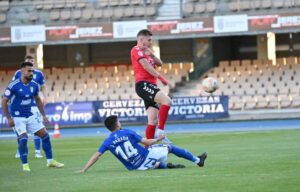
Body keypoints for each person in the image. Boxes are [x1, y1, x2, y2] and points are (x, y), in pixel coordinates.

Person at [78, 115, 207, 172]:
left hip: (135, 167)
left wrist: (84, 169)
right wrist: (158, 139)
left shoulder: (107, 141)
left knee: (155, 163)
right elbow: (146, 142)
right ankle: (197, 160)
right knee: (169, 147)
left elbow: (97, 155)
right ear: (117, 124)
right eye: (118, 121)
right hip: (144, 157)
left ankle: (165, 166)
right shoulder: (127, 132)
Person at [1, 61, 64, 171]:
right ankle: (25, 165)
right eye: (29, 71)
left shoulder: (34, 85)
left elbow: (38, 99)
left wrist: (44, 115)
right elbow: (4, 102)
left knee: (45, 136)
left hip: (30, 115)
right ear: (22, 71)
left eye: (32, 71)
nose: (32, 73)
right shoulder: (13, 86)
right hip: (17, 117)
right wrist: (9, 118)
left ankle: (50, 161)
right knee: (24, 138)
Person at [131, 29, 172, 143]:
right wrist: (161, 78)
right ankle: (161, 131)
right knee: (167, 101)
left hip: (150, 85)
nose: (151, 42)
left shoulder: (148, 52)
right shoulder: (136, 50)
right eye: (149, 40)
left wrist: (152, 55)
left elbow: (160, 63)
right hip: (143, 84)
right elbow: (146, 66)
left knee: (152, 120)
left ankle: (147, 149)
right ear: (141, 39)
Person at [13, 55, 48, 159]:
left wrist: (45, 97)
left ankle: (37, 151)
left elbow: (43, 86)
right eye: (28, 61)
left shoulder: (39, 74)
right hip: (21, 106)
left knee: (37, 128)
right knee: (21, 130)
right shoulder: (18, 73)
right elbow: (13, 85)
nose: (30, 63)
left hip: (34, 105)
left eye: (32, 61)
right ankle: (20, 150)